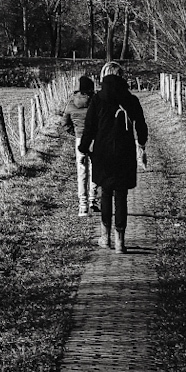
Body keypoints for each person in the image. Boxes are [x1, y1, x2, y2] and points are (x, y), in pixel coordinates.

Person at [78, 62, 148, 253]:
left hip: (103, 154)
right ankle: (120, 242)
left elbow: (90, 127)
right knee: (122, 196)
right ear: (121, 77)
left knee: (106, 194)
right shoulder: (131, 99)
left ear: (104, 77)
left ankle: (105, 237)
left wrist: (83, 148)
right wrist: (141, 144)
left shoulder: (98, 99)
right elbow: (141, 126)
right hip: (124, 153)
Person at [61, 75, 99, 216]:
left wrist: (75, 133)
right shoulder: (95, 101)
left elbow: (64, 124)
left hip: (79, 139)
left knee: (81, 171)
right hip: (94, 140)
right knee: (95, 169)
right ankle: (92, 200)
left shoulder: (71, 103)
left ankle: (82, 206)